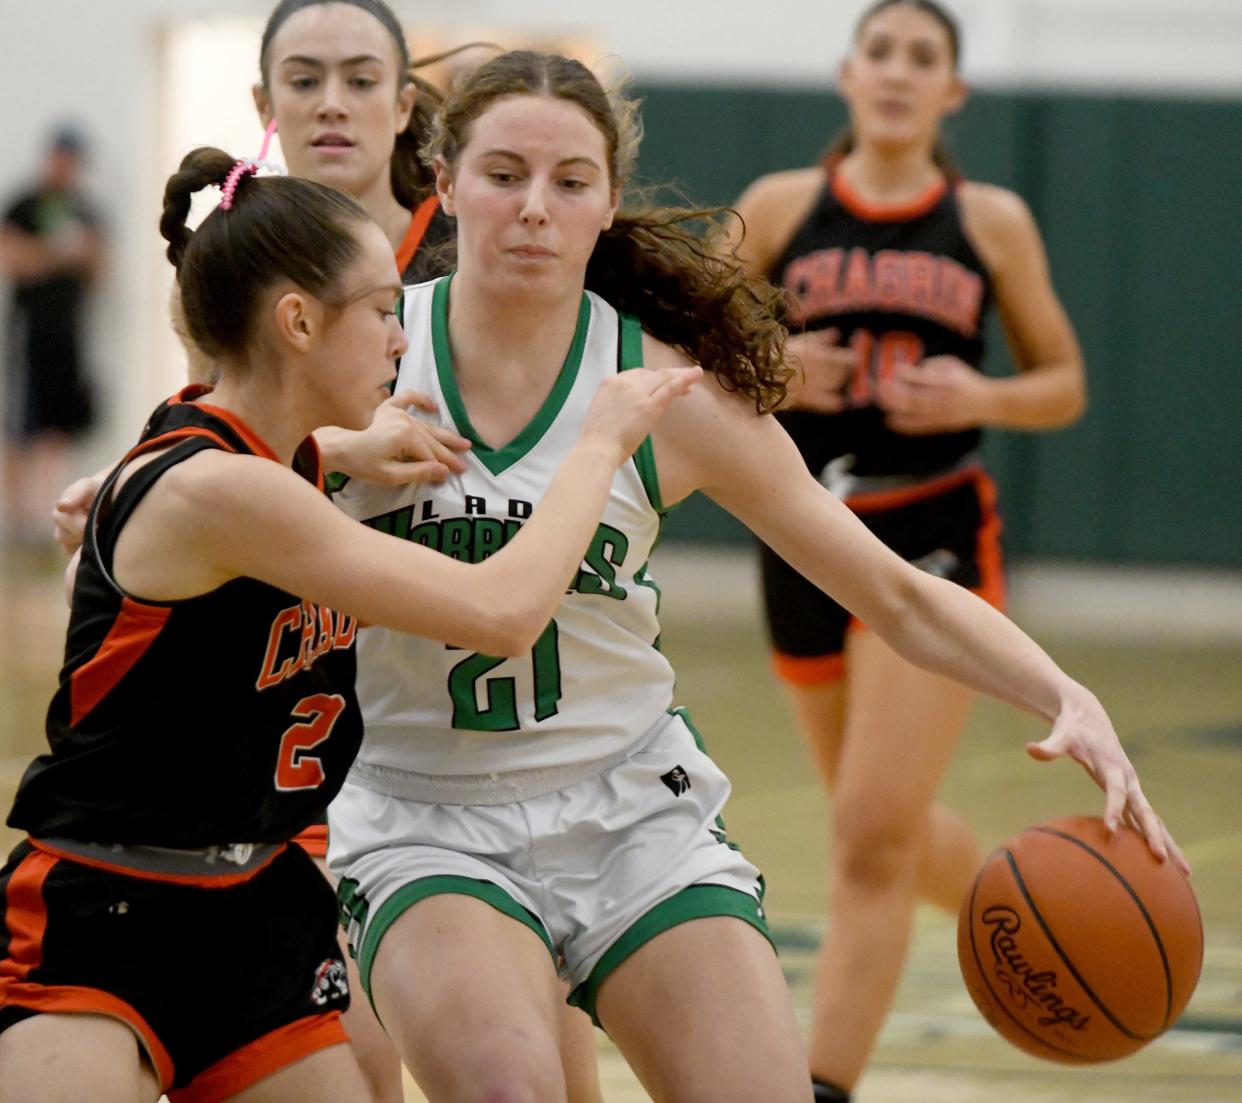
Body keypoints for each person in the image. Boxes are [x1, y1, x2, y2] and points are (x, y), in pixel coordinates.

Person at [322, 49, 1182, 1103]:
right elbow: (202, 464)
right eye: (503, 175)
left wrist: (1065, 694)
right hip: (424, 812)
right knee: (510, 1086)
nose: (535, 209)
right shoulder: (364, 357)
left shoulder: (666, 388)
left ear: (606, 206)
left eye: (570, 182)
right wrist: (284, 452)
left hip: (628, 804)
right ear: (447, 184)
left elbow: (896, 591)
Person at [0, 144, 698, 1103]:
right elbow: (501, 612)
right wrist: (600, 442)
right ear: (295, 321)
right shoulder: (226, 490)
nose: (401, 337)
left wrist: (350, 443)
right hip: (105, 909)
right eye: (380, 310)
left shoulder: (267, 456)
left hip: (258, 910)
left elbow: (279, 453)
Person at [722, 2, 1091, 1098]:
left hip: (930, 530)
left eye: (922, 57)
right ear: (848, 74)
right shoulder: (782, 206)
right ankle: (1016, 899)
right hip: (803, 535)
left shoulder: (991, 220)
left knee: (870, 836)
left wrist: (983, 392)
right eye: (879, 51)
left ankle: (822, 1083)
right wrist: (773, 366)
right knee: (869, 822)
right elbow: (681, 346)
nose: (897, 72)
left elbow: (1062, 383)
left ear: (953, 94)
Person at [1, 126, 103, 545]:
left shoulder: (86, 209)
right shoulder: (25, 204)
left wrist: (79, 257)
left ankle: (49, 517)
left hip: (70, 334)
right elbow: (11, 258)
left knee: (58, 429)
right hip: (30, 332)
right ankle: (17, 520)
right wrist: (56, 253)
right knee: (22, 427)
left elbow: (99, 266)